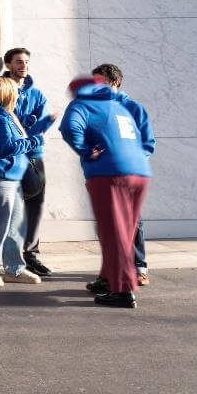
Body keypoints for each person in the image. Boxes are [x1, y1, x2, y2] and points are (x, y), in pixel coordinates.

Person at [60, 75, 153, 308]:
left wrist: (84, 150)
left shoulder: (81, 104)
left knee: (113, 232)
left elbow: (70, 129)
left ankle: (122, 290)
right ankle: (107, 278)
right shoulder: (119, 106)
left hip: (109, 174)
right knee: (124, 231)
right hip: (140, 172)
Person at [85, 64, 158, 293]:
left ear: (116, 82)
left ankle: (138, 267)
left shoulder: (133, 108)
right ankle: (108, 275)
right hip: (103, 176)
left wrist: (128, 161)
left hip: (127, 175)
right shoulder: (96, 109)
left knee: (133, 223)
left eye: (100, 81)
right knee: (108, 227)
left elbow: (148, 143)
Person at [0, 76, 46, 286]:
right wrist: (35, 140)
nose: (19, 95)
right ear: (8, 94)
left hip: (11, 179)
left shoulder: (6, 116)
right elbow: (6, 148)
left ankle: (14, 269)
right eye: (16, 92)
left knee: (14, 227)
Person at [2, 47, 56, 277]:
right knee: (11, 208)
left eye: (26, 62)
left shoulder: (38, 94)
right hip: (10, 156)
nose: (23, 65)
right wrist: (30, 126)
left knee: (36, 204)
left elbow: (42, 124)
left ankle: (31, 254)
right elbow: (4, 122)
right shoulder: (1, 90)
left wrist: (27, 128)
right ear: (8, 65)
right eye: (18, 62)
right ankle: (10, 257)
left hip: (34, 155)